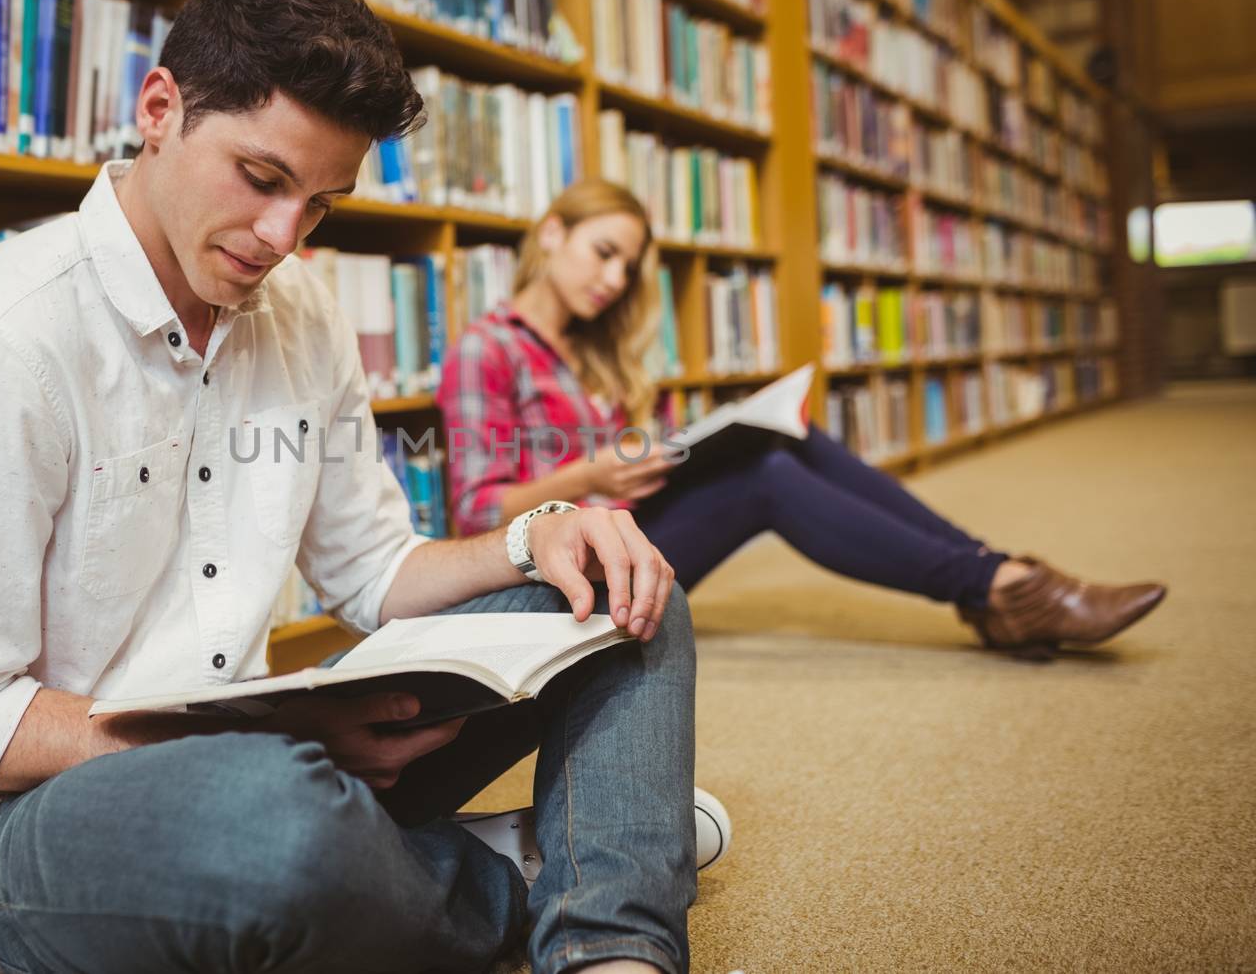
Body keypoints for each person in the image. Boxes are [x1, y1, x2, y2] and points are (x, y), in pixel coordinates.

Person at [0, 0, 715, 974]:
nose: (282, 238)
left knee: (617, 583)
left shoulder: (300, 309)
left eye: (320, 204)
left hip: (285, 744)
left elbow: (373, 568)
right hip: (34, 825)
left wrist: (537, 534)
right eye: (262, 180)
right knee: (276, 831)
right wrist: (265, 752)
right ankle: (567, 861)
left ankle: (610, 946)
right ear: (159, 110)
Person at [436, 180, 1166, 662]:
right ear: (553, 233)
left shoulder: (596, 349)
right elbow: (476, 510)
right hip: (576, 568)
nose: (615, 279)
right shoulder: (487, 349)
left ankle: (997, 579)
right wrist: (590, 473)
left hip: (632, 523)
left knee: (785, 439)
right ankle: (1005, 589)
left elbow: (623, 457)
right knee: (770, 481)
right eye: (605, 253)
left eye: (628, 267)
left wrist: (661, 449)